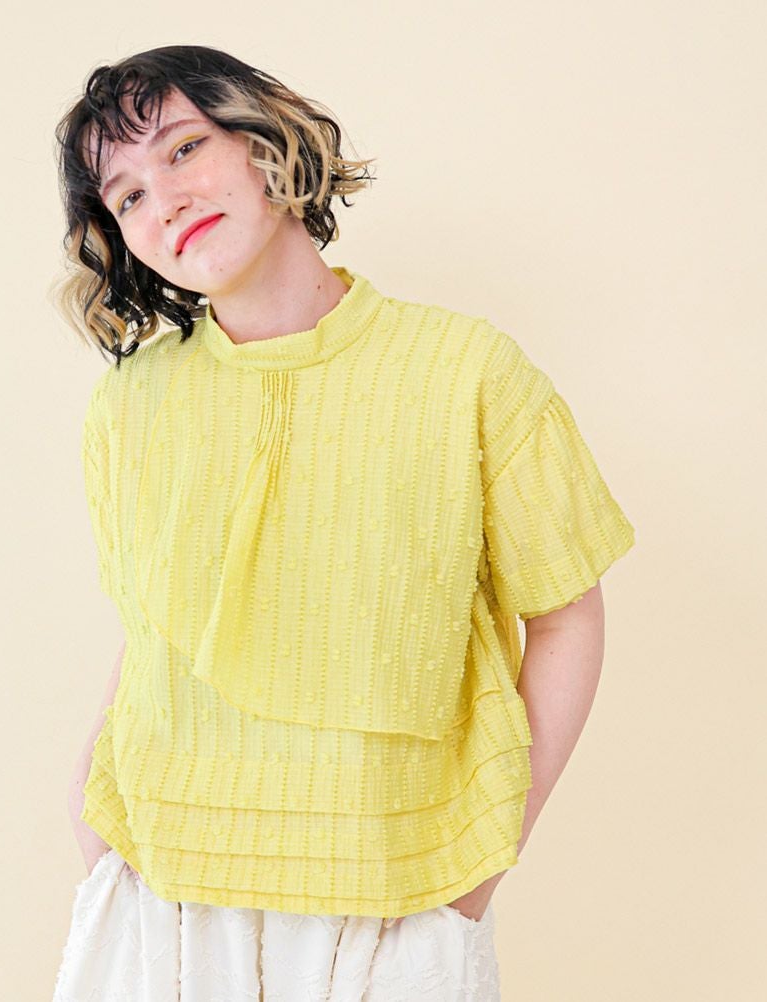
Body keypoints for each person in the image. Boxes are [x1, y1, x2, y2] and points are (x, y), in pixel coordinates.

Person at [49, 44, 636, 1002]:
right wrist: (94, 829)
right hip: (160, 897)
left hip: (395, 897)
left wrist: (482, 862)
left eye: (185, 148)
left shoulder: (467, 372)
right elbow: (155, 636)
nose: (167, 200)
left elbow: (569, 616)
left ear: (265, 140)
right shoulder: (129, 406)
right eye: (128, 195)